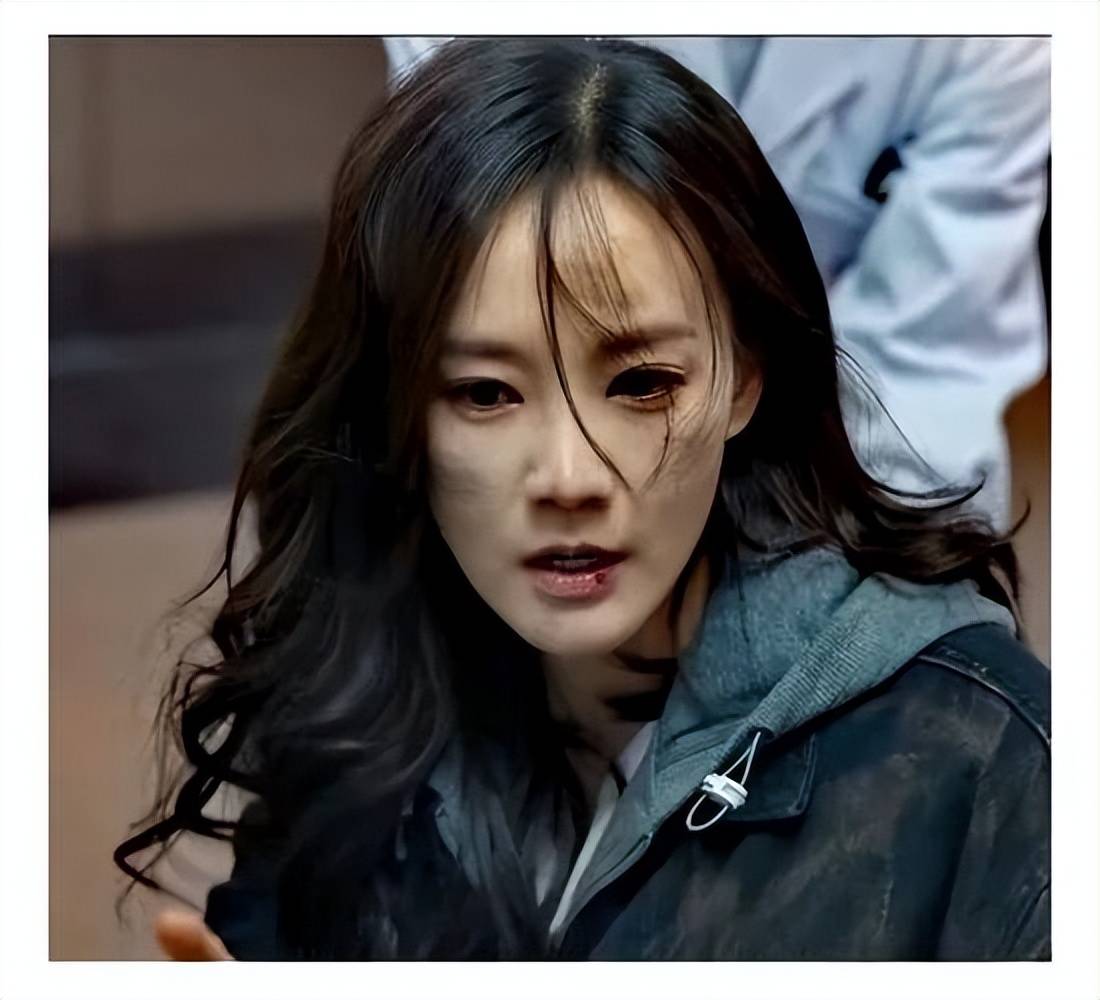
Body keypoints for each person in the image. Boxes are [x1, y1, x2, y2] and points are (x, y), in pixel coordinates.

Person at [116, 38, 1049, 961]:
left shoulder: (982, 760)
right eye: (485, 392)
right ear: (395, 409)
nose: (569, 478)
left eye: (642, 384)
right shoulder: (355, 701)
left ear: (744, 379)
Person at [386, 36, 1052, 531]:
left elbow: (928, 369)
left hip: (853, 483)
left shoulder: (994, 42)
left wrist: (858, 589)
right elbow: (501, 313)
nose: (571, 477)